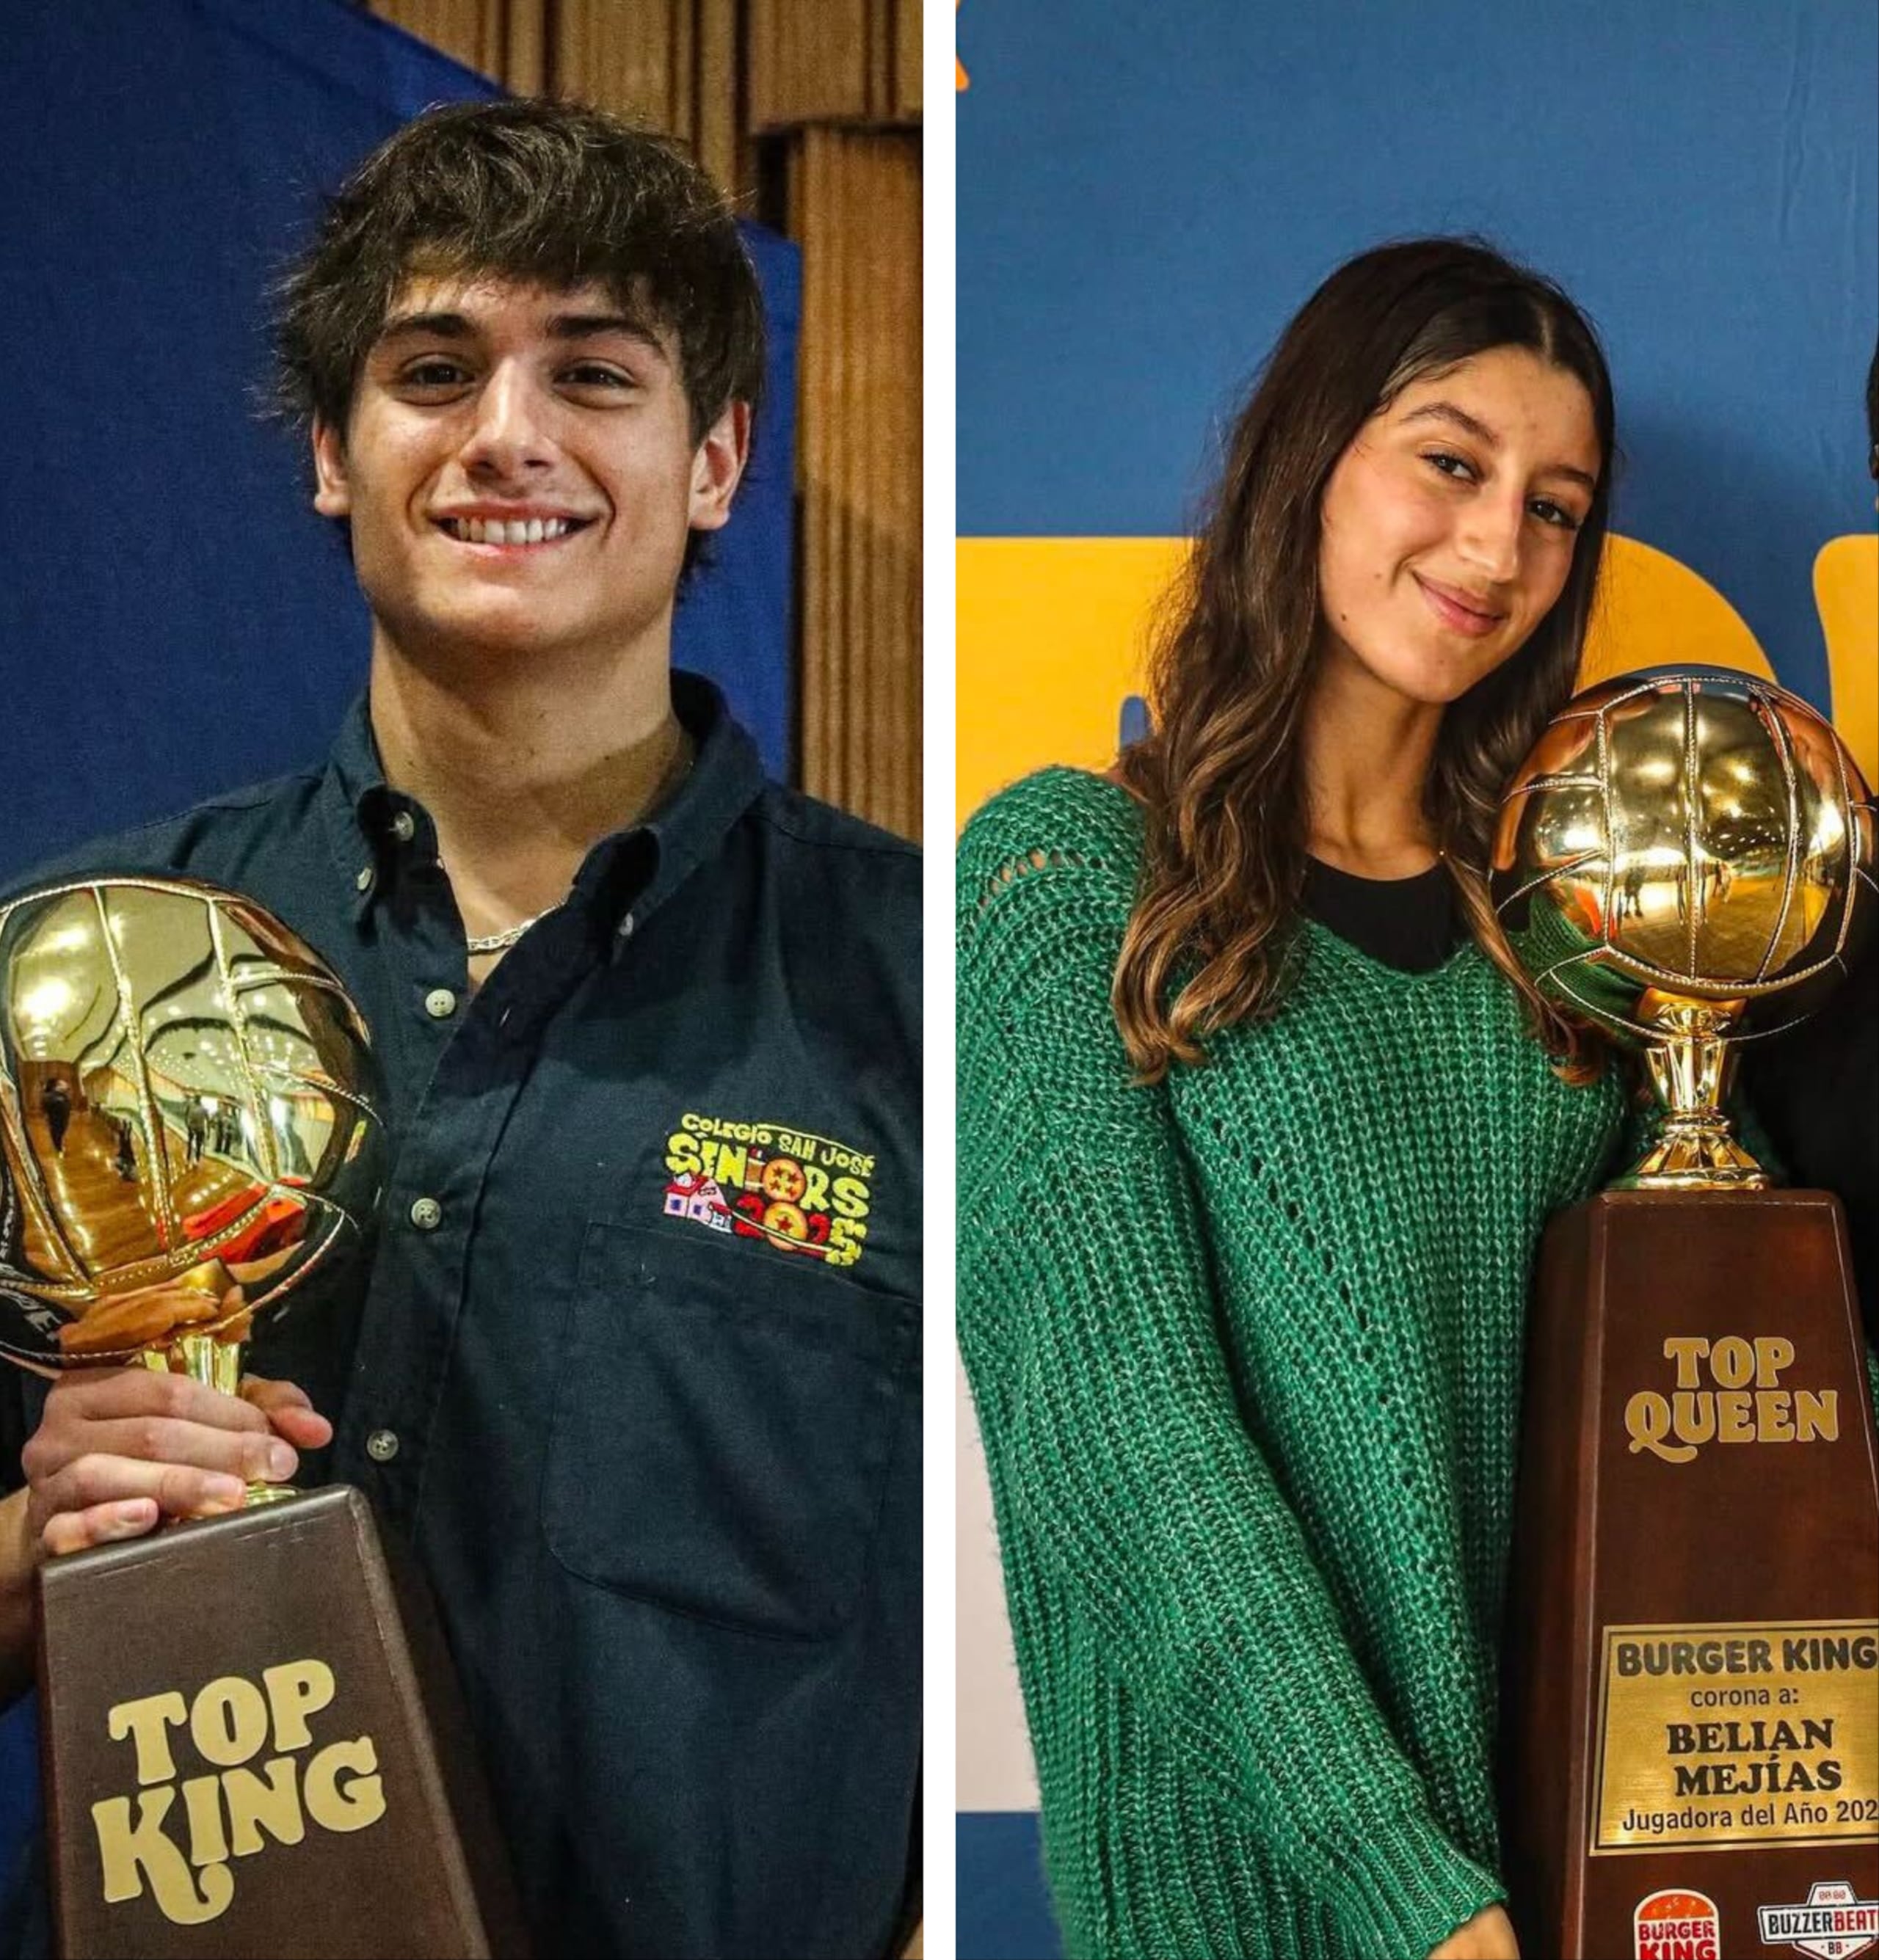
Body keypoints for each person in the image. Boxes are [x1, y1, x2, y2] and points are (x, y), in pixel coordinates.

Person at [0, 100, 920, 1960]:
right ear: (334, 452)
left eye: (594, 373)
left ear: (718, 457)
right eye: (436, 370)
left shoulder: (919, 984)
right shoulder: (74, 971)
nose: (510, 435)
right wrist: (39, 1562)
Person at [956, 238, 1627, 1960]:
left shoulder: (1565, 945)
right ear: (1307, 456)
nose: (1496, 548)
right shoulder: (1067, 874)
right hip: (1251, 1898)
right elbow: (1113, 1437)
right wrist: (1405, 1886)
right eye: (1449, 461)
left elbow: (1741, 1371)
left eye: (1553, 507)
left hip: (1578, 1880)